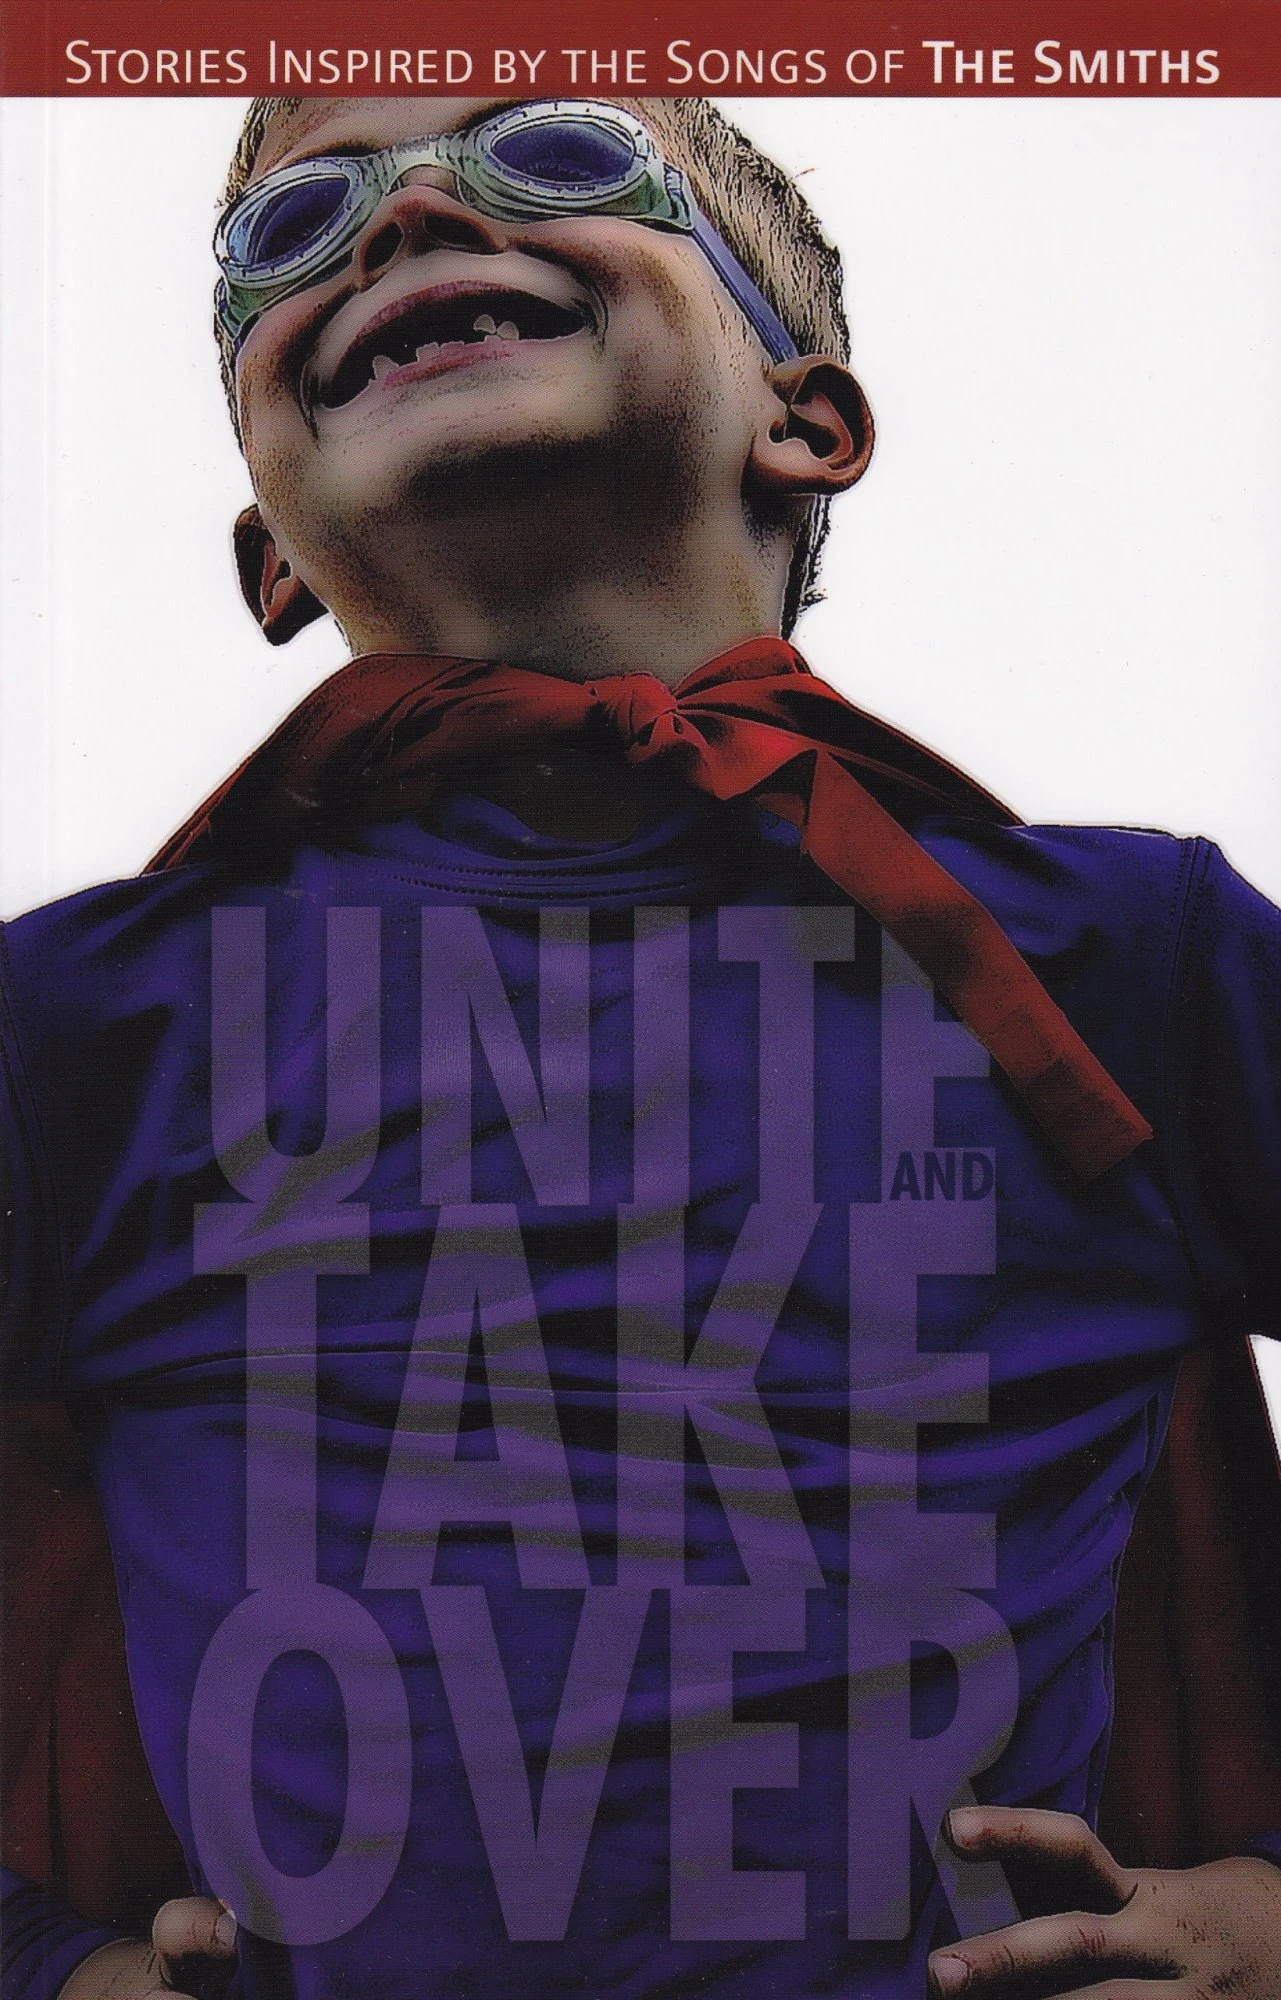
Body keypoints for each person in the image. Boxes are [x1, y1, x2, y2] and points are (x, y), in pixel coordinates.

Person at [3, 91, 1281, 2000]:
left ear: (807, 421)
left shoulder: (1122, 953)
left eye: (558, 157)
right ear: (271, 549)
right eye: (291, 234)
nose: (405, 217)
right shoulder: (79, 1023)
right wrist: (45, 1964)